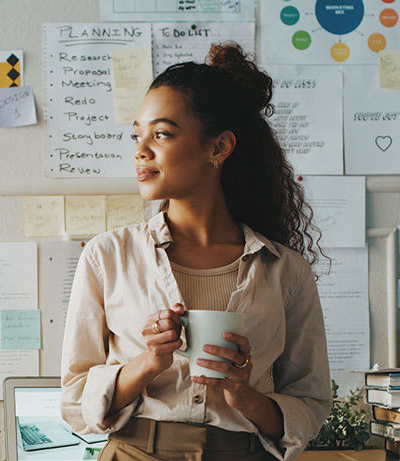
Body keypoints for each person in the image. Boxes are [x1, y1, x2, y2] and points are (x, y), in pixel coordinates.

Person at [60, 42, 332, 461]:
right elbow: (75, 401)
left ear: (219, 148)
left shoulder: (285, 270)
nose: (140, 150)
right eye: (138, 134)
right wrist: (148, 363)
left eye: (162, 133)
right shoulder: (106, 256)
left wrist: (243, 394)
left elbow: (310, 405)